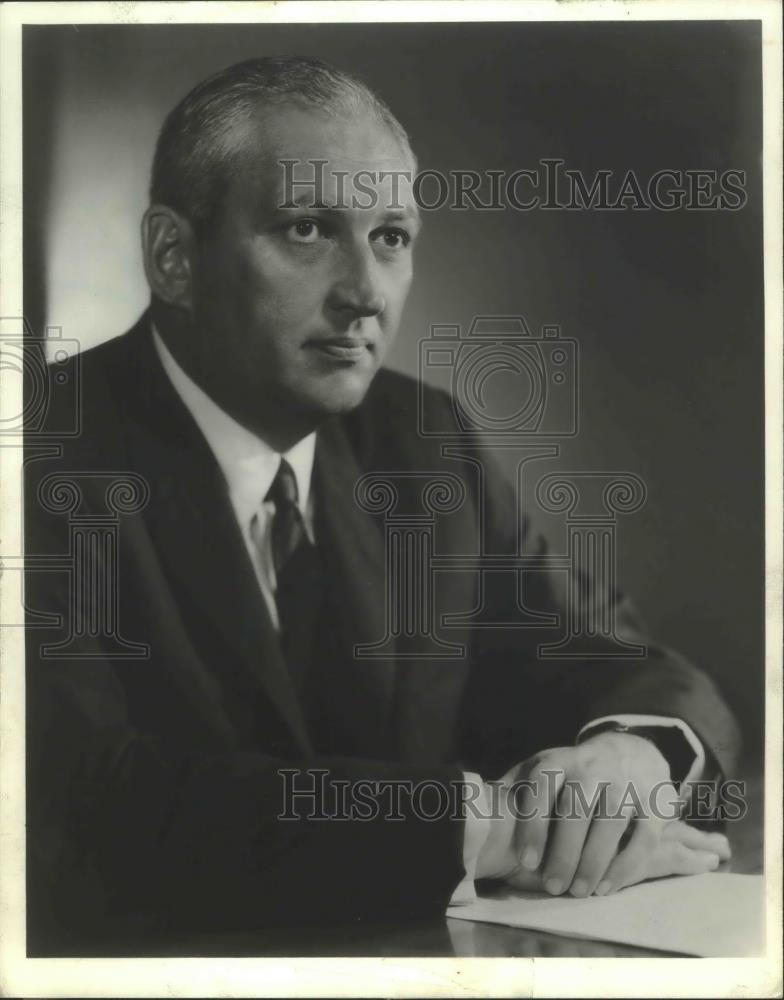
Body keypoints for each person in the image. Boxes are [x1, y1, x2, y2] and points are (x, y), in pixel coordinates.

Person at [24, 56, 740, 955]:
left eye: (392, 237)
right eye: (308, 228)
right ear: (174, 256)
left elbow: (622, 660)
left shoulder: (423, 438)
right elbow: (79, 798)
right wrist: (489, 828)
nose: (365, 293)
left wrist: (624, 763)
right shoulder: (33, 451)